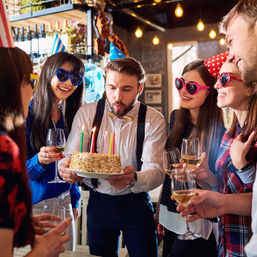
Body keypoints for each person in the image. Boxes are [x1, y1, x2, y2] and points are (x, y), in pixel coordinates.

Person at [59, 57, 167, 257]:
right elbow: (70, 157)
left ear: (140, 88)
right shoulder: (87, 113)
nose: (118, 96)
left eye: (127, 89)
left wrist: (133, 178)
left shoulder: (153, 120)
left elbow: (157, 171)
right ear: (104, 82)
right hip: (98, 203)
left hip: (136, 202)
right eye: (112, 87)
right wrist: (65, 169)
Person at [177, 59, 257, 257]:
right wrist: (208, 178)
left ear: (251, 88)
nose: (216, 85)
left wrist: (242, 166)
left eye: (224, 78)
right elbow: (226, 190)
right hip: (226, 245)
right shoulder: (230, 134)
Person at [0, 46, 71, 257]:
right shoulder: (5, 150)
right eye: (32, 80)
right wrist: (42, 251)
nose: (33, 90)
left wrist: (16, 224)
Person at [156, 59, 225, 257]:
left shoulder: (219, 128)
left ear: (209, 91)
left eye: (192, 87)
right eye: (180, 83)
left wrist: (205, 175)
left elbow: (221, 184)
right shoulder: (176, 117)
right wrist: (160, 210)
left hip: (199, 214)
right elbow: (170, 172)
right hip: (171, 208)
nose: (183, 91)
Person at [25, 51, 85, 251]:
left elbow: (69, 164)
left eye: (75, 79)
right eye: (62, 75)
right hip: (36, 209)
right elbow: (17, 172)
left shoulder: (70, 115)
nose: (69, 83)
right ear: (48, 73)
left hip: (65, 203)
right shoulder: (28, 114)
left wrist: (74, 198)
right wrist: (39, 161)